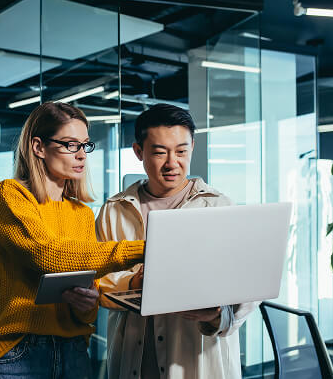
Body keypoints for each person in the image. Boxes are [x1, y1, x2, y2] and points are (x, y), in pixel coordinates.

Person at [0, 101, 145, 379]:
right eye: (70, 145)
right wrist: (143, 250)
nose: (82, 155)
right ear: (38, 147)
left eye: (85, 145)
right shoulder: (8, 195)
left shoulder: (81, 213)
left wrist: (87, 303)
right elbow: (46, 255)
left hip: (74, 351)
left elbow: (87, 298)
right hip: (19, 352)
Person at [97, 104, 258, 379]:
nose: (172, 163)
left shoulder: (220, 206)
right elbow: (98, 279)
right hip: (133, 356)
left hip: (197, 359)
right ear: (139, 152)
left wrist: (216, 315)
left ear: (192, 147)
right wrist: (135, 283)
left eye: (181, 151)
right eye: (160, 152)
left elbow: (250, 290)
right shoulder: (114, 210)